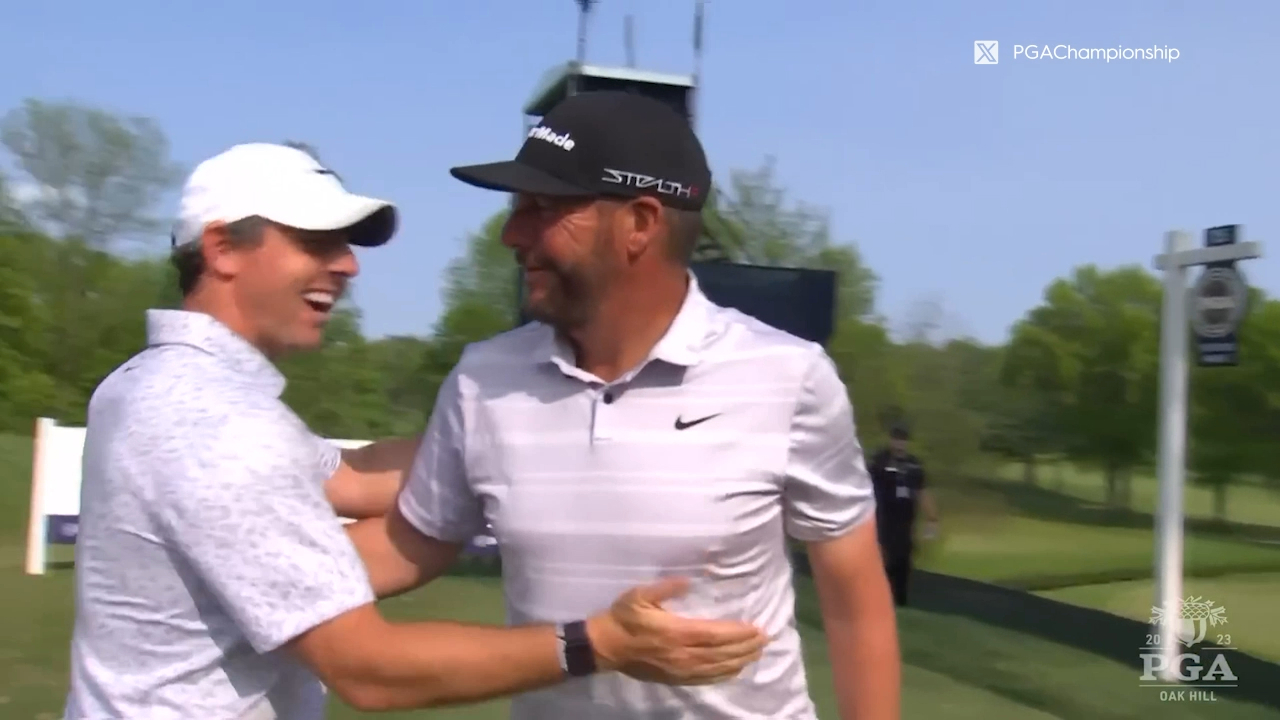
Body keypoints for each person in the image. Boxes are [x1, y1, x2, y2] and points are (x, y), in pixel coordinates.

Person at [63, 142, 768, 720]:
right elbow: (370, 672)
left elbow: (348, 479)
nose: (346, 264)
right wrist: (601, 642)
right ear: (222, 249)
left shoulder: (149, 385)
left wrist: (520, 427)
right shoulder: (219, 427)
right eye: (314, 240)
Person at [346, 92, 901, 719]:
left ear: (640, 223)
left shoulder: (788, 376)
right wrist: (238, 569)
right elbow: (405, 545)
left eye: (543, 208)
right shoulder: (483, 377)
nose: (511, 234)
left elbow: (855, 601)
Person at [868, 425, 940, 607]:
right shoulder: (880, 462)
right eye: (896, 439)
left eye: (903, 440)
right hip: (882, 517)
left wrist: (932, 518)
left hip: (906, 519)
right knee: (883, 557)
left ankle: (900, 600)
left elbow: (922, 491)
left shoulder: (913, 465)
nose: (899, 444)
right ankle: (877, 598)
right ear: (890, 440)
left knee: (903, 559)